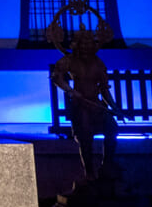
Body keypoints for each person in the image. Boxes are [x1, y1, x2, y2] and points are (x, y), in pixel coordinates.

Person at [50, 28, 120, 182]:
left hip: (96, 103)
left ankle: (107, 165)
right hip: (80, 104)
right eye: (84, 43)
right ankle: (89, 172)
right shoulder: (70, 60)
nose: (87, 47)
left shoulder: (98, 63)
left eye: (90, 43)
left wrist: (115, 109)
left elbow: (104, 90)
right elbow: (56, 77)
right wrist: (70, 91)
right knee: (85, 137)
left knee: (112, 128)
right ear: (77, 45)